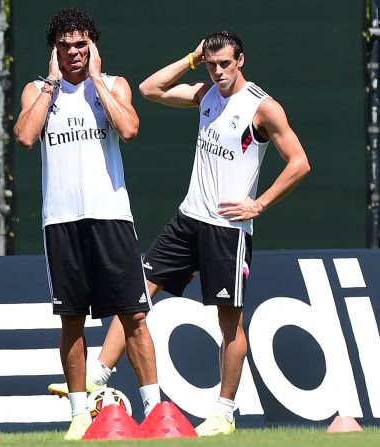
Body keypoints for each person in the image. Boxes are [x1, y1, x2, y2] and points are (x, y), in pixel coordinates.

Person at [50, 30, 311, 437]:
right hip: (188, 220)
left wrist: (258, 204)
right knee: (135, 295)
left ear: (241, 59)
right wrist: (192, 58)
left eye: (225, 63)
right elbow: (151, 89)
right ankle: (98, 377)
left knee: (230, 324)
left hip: (228, 229)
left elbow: (299, 163)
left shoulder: (262, 108)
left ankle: (224, 413)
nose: (219, 71)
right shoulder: (206, 93)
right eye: (212, 64)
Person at [13, 8, 161, 440]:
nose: (73, 52)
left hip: (111, 216)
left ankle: (153, 409)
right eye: (65, 46)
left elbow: (130, 129)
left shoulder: (113, 85)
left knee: (133, 315)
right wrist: (54, 85)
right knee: (71, 318)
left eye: (81, 45)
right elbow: (24, 136)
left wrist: (96, 79)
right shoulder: (39, 90)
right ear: (54, 50)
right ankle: (79, 413)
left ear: (92, 47)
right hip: (60, 221)